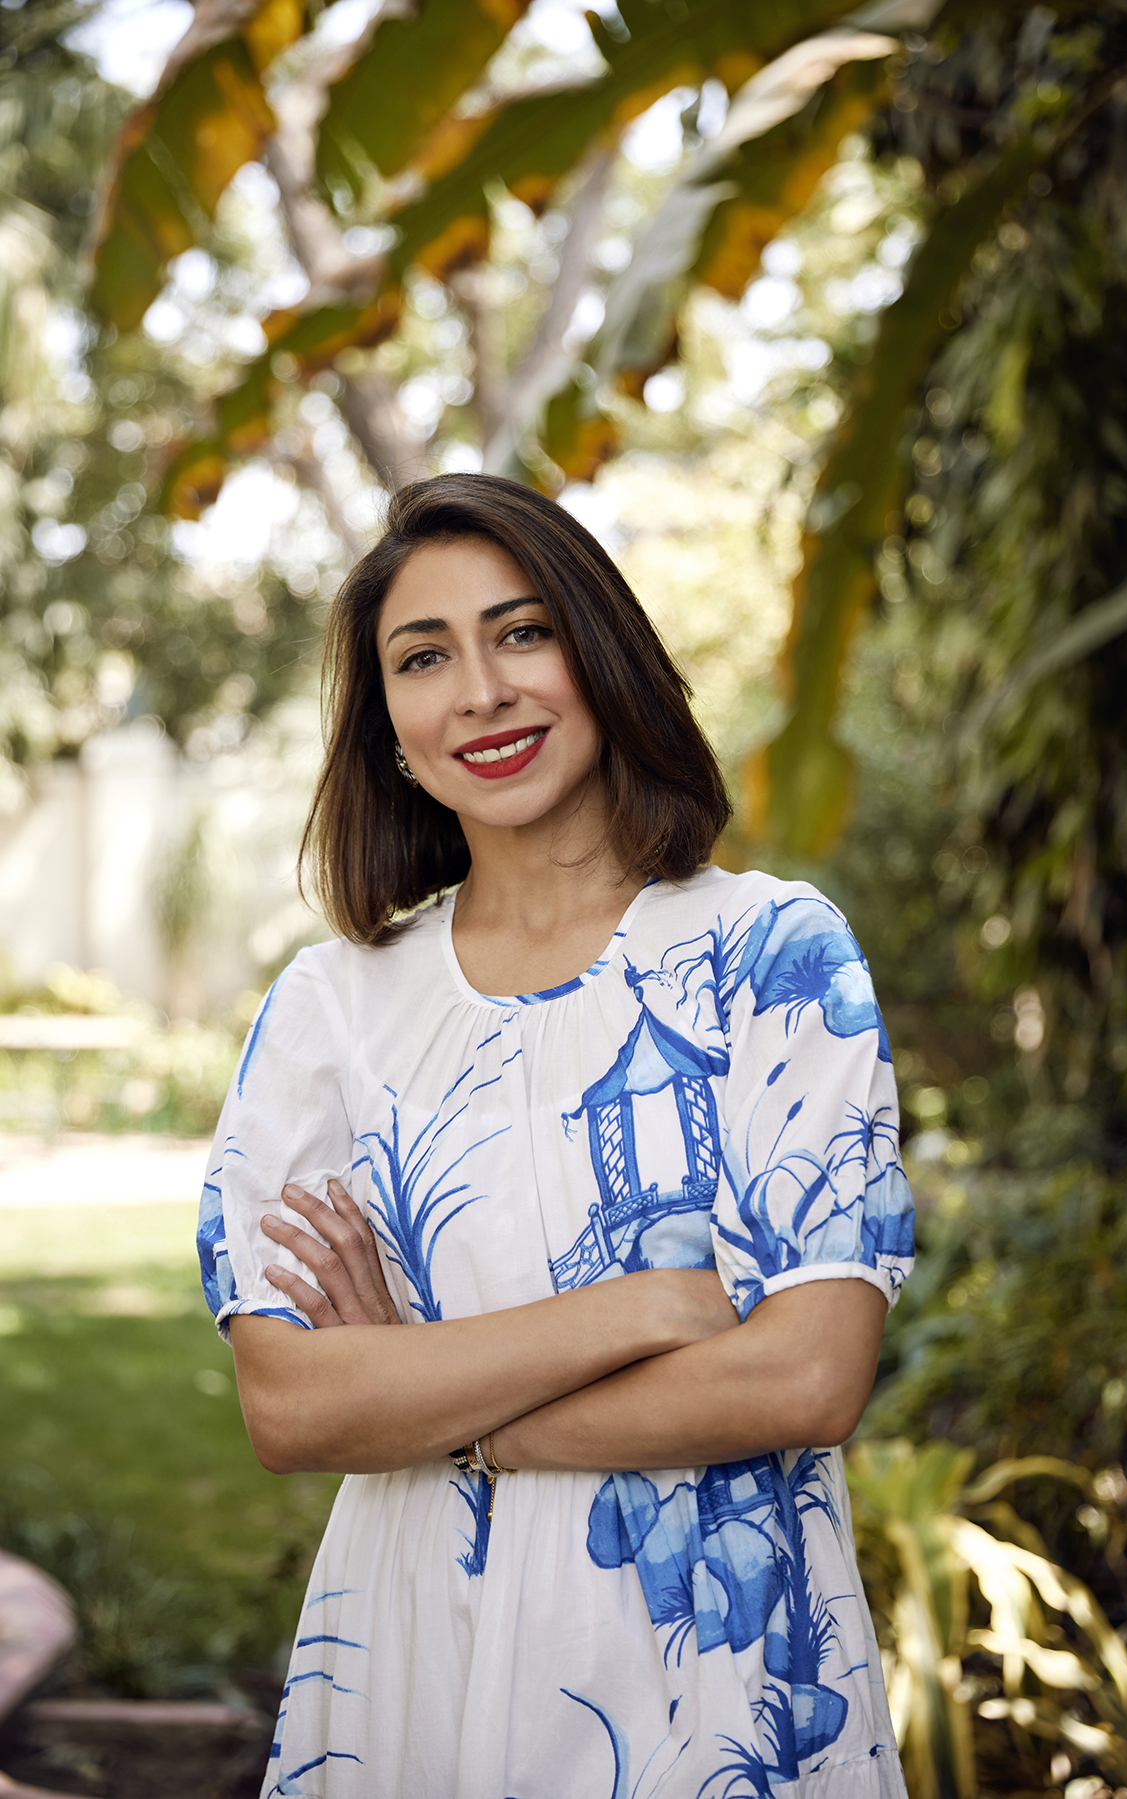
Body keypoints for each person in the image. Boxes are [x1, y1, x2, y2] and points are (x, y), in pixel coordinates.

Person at [198, 472, 915, 1799]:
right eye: (424, 657)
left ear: (601, 652)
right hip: (420, 1657)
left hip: (723, 1684)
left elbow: (803, 1381)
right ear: (389, 731)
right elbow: (293, 1404)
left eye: (522, 632)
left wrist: (432, 1402)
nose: (480, 689)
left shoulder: (770, 955)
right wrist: (651, 1307)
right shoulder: (328, 1012)